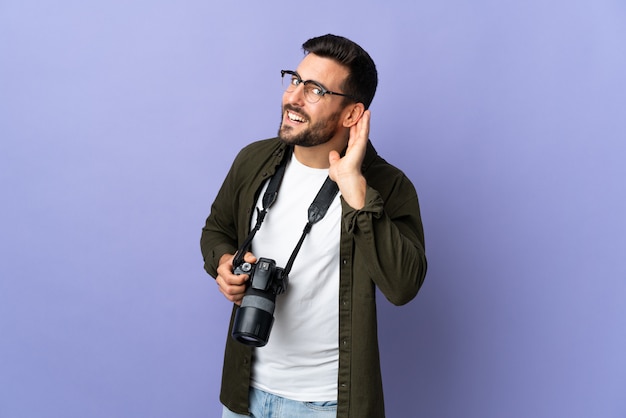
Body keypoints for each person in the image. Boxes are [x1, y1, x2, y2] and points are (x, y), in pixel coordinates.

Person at [200, 34, 427, 418]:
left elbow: (403, 286)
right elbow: (216, 229)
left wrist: (355, 190)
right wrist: (223, 263)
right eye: (294, 80)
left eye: (315, 90)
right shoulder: (252, 160)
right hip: (244, 396)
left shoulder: (388, 186)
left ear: (352, 115)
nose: (293, 98)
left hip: (328, 405)